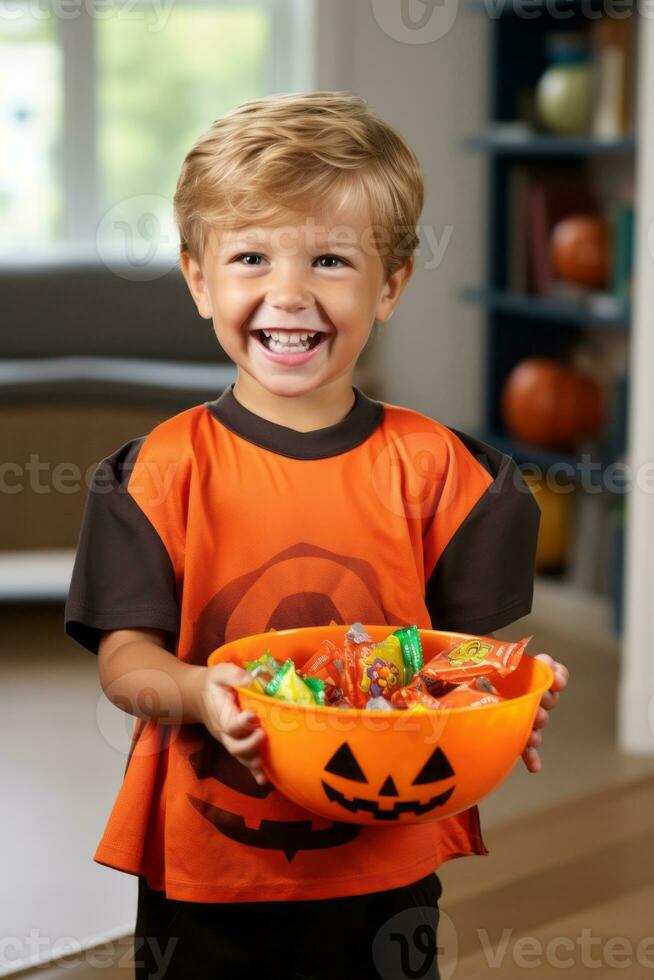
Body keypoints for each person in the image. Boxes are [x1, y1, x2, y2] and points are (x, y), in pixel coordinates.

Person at [64, 91, 569, 980]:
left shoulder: (447, 473)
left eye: (331, 260)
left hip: (385, 859)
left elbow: (454, 665)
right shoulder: (156, 473)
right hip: (207, 867)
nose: (288, 293)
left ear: (392, 286)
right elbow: (125, 666)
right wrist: (198, 690)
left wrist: (507, 697)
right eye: (251, 256)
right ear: (198, 279)